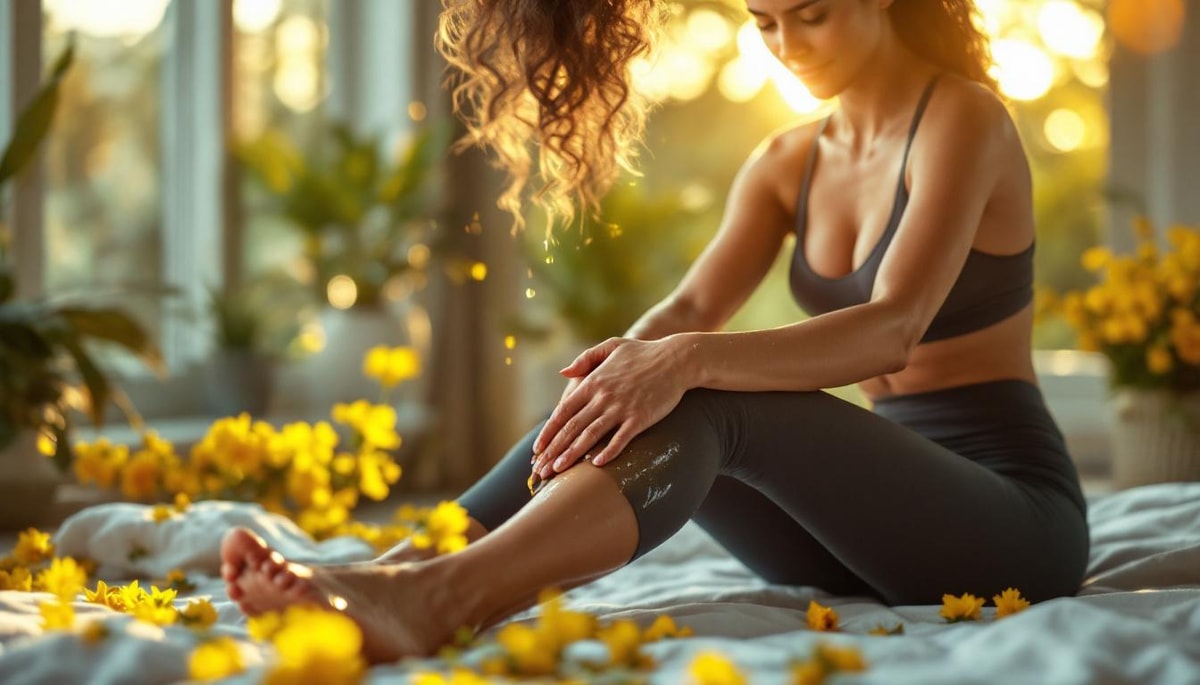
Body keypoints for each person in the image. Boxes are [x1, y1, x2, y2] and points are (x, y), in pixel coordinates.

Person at [220, 0, 1091, 663]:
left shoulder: (964, 120)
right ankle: (398, 571)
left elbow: (891, 330)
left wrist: (676, 363)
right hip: (861, 534)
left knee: (707, 393)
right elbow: (683, 315)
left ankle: (440, 597)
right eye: (765, 22)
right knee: (645, 384)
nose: (789, 45)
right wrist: (617, 376)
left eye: (813, 15)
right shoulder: (787, 160)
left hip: (1007, 521)